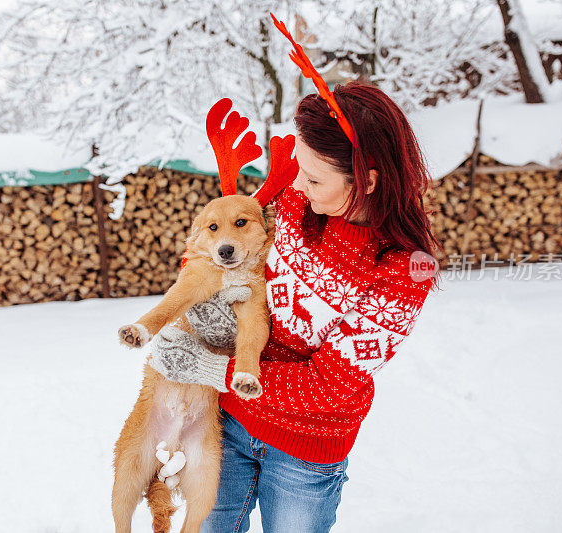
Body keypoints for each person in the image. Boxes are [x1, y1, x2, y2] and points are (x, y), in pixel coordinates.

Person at [150, 80, 441, 532]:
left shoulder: (404, 271)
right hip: (227, 423)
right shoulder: (293, 206)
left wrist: (209, 368)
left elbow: (328, 387)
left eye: (314, 177)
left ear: (367, 180)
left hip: (305, 451)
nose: (297, 184)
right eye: (298, 170)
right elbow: (242, 267)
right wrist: (208, 312)